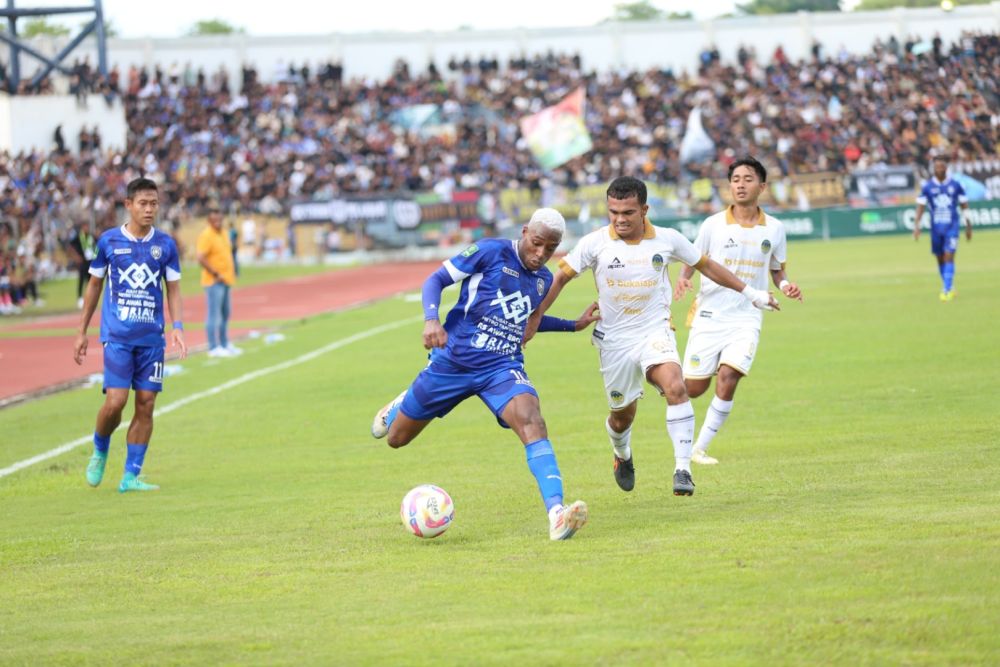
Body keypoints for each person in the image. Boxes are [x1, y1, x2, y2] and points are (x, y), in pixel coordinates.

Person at [524, 176, 778, 496]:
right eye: (613, 211)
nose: (619, 219)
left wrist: (752, 293)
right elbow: (559, 278)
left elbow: (707, 266)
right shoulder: (595, 243)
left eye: (627, 212)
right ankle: (622, 454)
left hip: (654, 331)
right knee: (621, 416)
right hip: (614, 341)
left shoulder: (667, 240)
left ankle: (682, 469)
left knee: (675, 385)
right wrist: (535, 319)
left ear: (644, 209)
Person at [370, 208, 599, 541]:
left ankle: (557, 514)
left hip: (501, 368)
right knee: (396, 438)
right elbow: (436, 280)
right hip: (453, 362)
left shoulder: (543, 280)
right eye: (536, 244)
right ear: (524, 232)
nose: (540, 254)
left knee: (532, 419)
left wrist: (572, 325)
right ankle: (403, 402)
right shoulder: (490, 251)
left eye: (549, 249)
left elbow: (526, 323)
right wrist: (431, 319)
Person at [673, 156, 803, 465]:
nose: (740, 184)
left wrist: (786, 287)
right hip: (710, 313)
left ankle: (698, 449)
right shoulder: (713, 224)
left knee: (730, 376)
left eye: (747, 179)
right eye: (735, 179)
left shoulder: (775, 228)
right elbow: (694, 258)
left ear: (762, 186)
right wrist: (682, 280)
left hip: (747, 316)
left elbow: (777, 271)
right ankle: (659, 375)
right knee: (692, 388)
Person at [73, 177, 187, 493]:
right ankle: (100, 446)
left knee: (146, 404)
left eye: (154, 204)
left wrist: (177, 327)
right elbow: (94, 286)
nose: (149, 209)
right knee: (116, 402)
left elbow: (173, 289)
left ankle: (130, 476)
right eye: (143, 203)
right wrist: (81, 331)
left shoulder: (165, 245)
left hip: (152, 338)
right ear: (129, 205)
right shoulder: (109, 242)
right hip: (118, 336)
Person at [913, 155, 971, 301]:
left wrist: (968, 225)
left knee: (949, 255)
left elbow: (964, 205)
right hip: (936, 228)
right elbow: (921, 205)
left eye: (941, 166)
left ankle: (946, 290)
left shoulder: (956, 185)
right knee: (939, 258)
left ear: (946, 168)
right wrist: (917, 225)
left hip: (952, 226)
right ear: (933, 168)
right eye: (937, 167)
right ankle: (949, 286)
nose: (939, 169)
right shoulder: (927, 186)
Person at [196, 203, 240, 358]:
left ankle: (224, 343)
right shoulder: (207, 235)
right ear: (209, 220)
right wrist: (214, 273)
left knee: (226, 313)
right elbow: (200, 256)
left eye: (220, 219)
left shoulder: (224, 233)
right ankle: (213, 347)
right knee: (214, 315)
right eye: (214, 220)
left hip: (227, 279)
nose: (218, 222)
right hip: (214, 281)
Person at [67, 221, 97, 309]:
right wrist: (76, 257)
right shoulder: (78, 237)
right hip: (82, 262)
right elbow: (70, 247)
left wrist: (95, 257)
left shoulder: (91, 236)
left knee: (90, 282)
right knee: (81, 280)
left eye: (87, 227)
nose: (86, 229)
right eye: (85, 227)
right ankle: (79, 298)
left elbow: (98, 247)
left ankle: (89, 299)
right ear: (81, 228)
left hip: (91, 262)